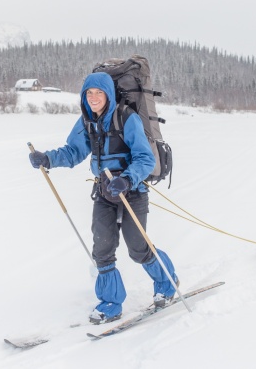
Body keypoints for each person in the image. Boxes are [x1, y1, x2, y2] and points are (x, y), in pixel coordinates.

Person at [29, 71, 179, 324]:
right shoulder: (87, 121)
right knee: (103, 249)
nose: (94, 98)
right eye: (89, 93)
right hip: (104, 193)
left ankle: (166, 282)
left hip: (132, 191)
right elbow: (74, 151)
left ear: (109, 94)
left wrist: (127, 179)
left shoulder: (126, 118)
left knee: (138, 248)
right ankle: (110, 301)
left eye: (99, 93)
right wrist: (48, 159)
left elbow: (145, 158)